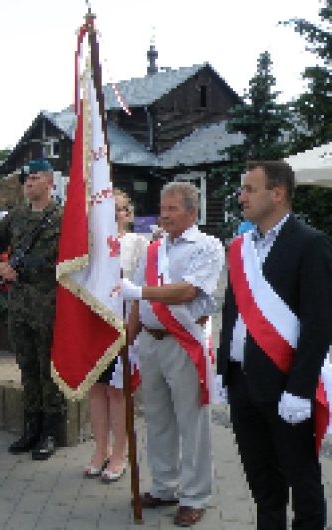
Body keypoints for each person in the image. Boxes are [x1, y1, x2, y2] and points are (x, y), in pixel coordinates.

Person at [217, 161, 332, 530]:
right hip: (242, 384)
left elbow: (319, 325)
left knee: (303, 482)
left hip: (286, 387)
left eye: (250, 189)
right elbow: (232, 312)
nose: (241, 196)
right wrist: (224, 370)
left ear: (277, 193)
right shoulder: (241, 247)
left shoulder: (311, 243)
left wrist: (299, 390)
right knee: (263, 485)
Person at [119, 182, 224, 527]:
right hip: (150, 341)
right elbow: (136, 302)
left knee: (192, 422)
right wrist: (127, 344)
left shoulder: (207, 246)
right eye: (162, 209)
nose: (164, 215)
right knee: (159, 418)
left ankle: (195, 496)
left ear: (192, 212)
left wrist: (142, 291)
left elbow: (189, 291)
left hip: (183, 341)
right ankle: (164, 486)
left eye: (172, 209)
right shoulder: (153, 249)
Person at [0, 159, 65, 461]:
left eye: (33, 178)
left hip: (50, 302)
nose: (27, 184)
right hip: (20, 303)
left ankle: (50, 432)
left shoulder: (63, 217)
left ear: (49, 182)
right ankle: (31, 428)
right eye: (25, 180)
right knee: (27, 367)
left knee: (48, 369)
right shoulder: (16, 216)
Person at [84, 189, 148, 483]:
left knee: (118, 391)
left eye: (120, 209)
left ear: (128, 214)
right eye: (109, 210)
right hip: (95, 323)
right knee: (96, 388)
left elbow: (142, 285)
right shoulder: (90, 245)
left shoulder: (138, 243)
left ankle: (121, 453)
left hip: (124, 323)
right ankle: (101, 449)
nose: (115, 215)